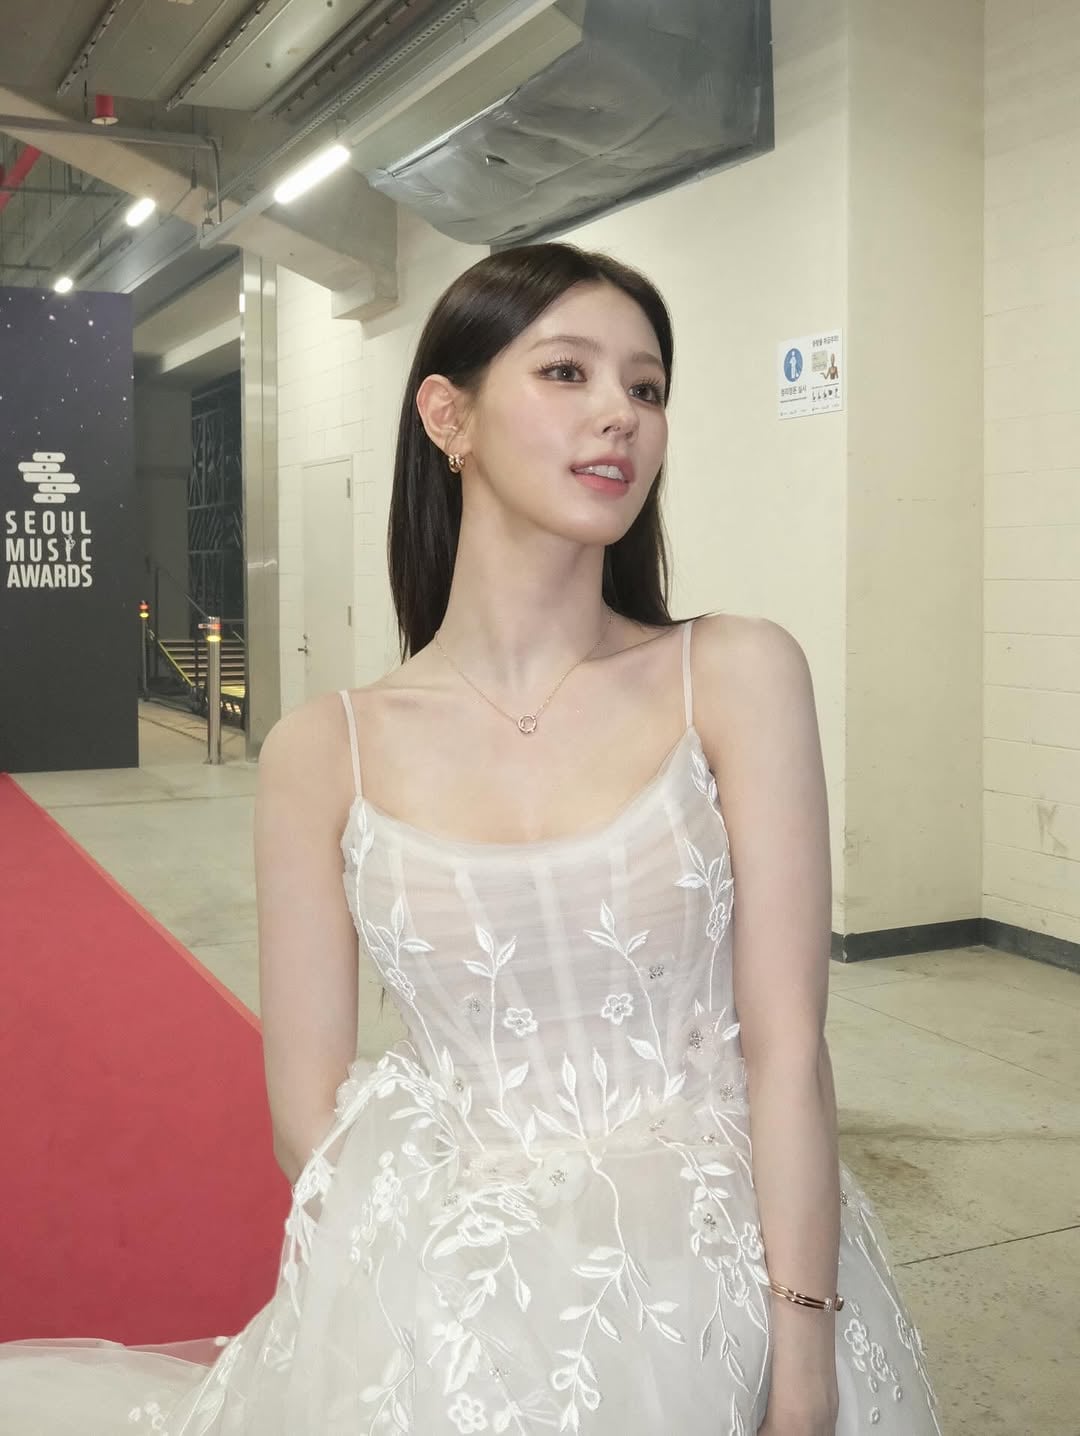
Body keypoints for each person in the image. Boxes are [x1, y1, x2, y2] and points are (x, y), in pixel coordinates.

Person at [0, 243, 942, 1434]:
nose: (621, 413)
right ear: (448, 415)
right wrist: (462, 1314)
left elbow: (789, 1047)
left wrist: (801, 1359)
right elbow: (308, 1119)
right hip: (458, 1320)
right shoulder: (324, 751)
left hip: (726, 1287)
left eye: (647, 387)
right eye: (567, 371)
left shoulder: (735, 673)